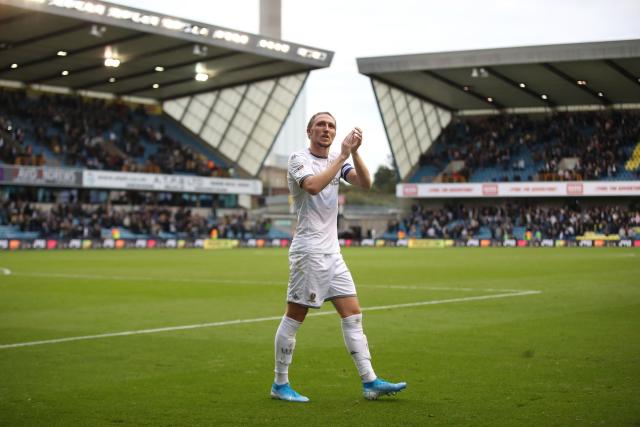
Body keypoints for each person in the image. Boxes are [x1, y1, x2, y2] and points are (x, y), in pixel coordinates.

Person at [270, 112, 407, 402]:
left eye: (331, 126)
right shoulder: (298, 159)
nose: (327, 129)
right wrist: (342, 154)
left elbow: (365, 183)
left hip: (333, 254)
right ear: (309, 131)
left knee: (353, 316)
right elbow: (312, 186)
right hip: (309, 252)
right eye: (321, 124)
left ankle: (370, 381)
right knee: (295, 318)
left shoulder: (340, 160)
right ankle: (280, 384)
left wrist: (354, 154)